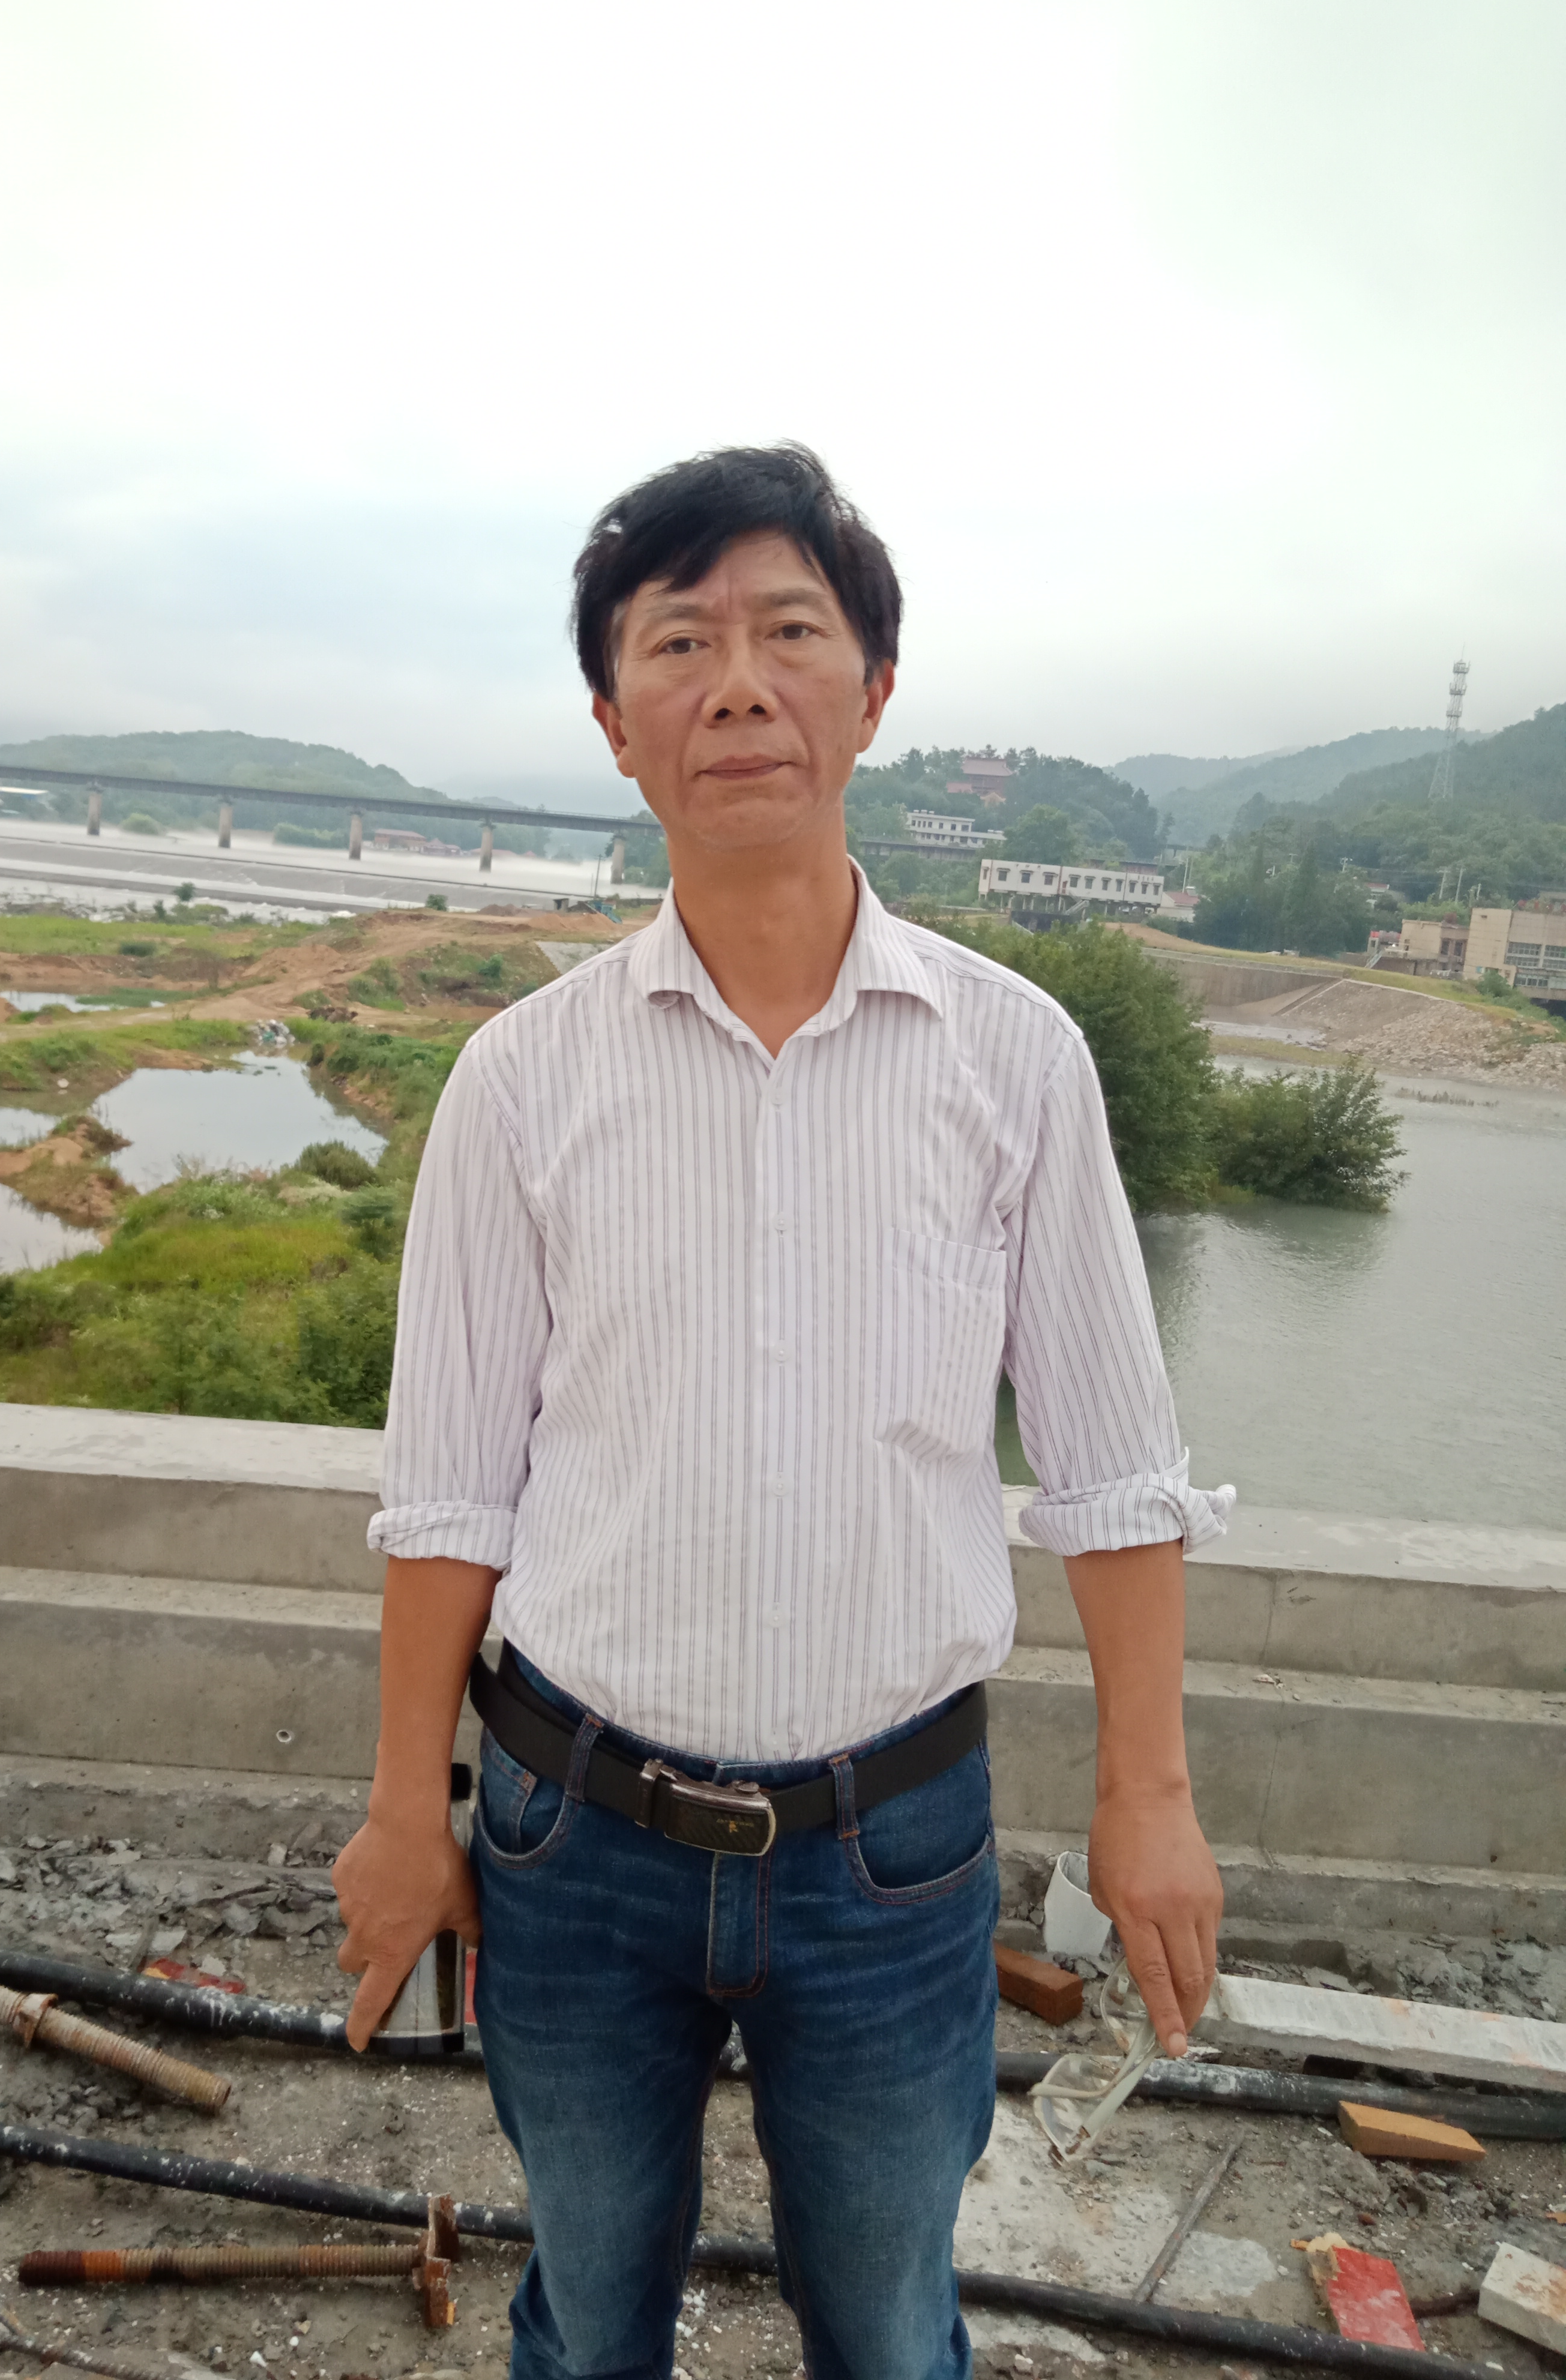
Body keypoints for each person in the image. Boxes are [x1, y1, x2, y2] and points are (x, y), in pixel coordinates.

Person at [333, 444, 1232, 2380]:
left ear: (873, 692)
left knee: (893, 2329)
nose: (737, 685)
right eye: (680, 643)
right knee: (588, 2317)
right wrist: (408, 1811)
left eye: (788, 634)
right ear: (616, 723)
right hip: (573, 1838)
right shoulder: (519, 1081)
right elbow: (452, 1492)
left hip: (892, 1850)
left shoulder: (1016, 1060)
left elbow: (1111, 1469)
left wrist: (1149, 1802)